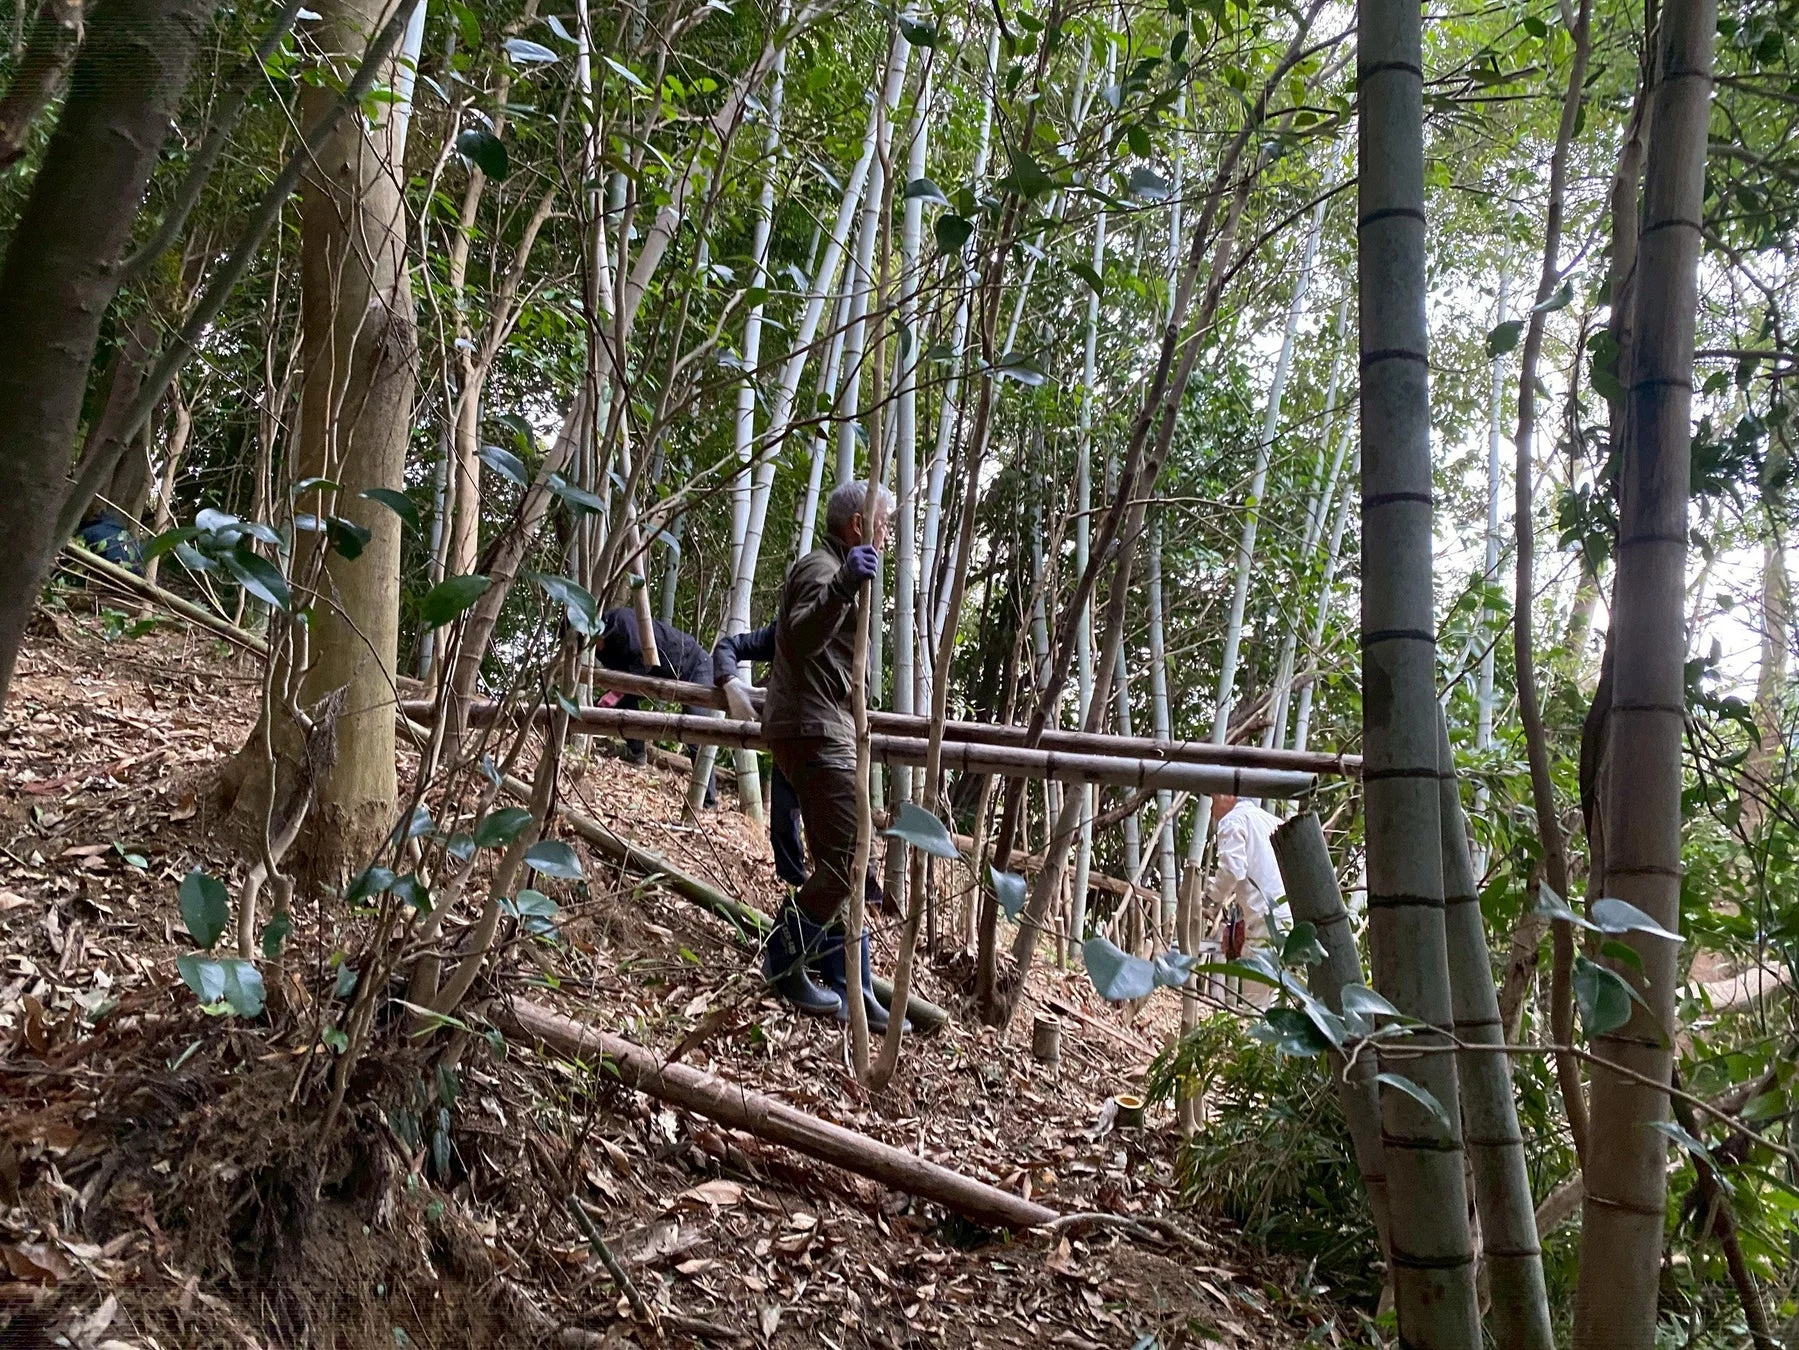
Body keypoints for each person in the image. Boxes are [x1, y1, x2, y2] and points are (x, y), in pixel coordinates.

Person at [756, 480, 905, 1030]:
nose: (888, 534)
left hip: (824, 726)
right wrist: (843, 586)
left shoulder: (837, 567)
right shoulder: (824, 568)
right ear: (859, 526)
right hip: (814, 730)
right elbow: (793, 639)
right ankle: (782, 956)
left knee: (839, 861)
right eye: (884, 523)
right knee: (850, 859)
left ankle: (851, 984)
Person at [711, 621, 807, 890]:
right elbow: (728, 647)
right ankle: (795, 898)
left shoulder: (847, 626)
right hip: (790, 740)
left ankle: (859, 908)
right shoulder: (786, 629)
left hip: (834, 748)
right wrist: (731, 683)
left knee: (837, 839)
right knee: (783, 829)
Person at [596, 606, 718, 806]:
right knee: (624, 701)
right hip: (658, 675)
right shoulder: (603, 647)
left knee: (696, 733)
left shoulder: (623, 624)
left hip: (694, 665)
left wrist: (614, 693)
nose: (597, 645)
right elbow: (621, 677)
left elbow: (644, 662)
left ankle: (707, 800)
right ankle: (637, 754)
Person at [1208, 794, 1292, 1008]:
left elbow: (1232, 870)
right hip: (1291, 918)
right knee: (1288, 1000)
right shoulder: (1271, 821)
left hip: (1266, 922)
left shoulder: (1233, 820)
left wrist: (1210, 897)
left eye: (1213, 798)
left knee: (1256, 1005)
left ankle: (1256, 1042)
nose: (1211, 808)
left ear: (1228, 796)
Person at [75, 506, 144, 575]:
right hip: (132, 573)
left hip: (110, 572)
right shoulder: (127, 537)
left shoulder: (93, 531)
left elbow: (78, 542)